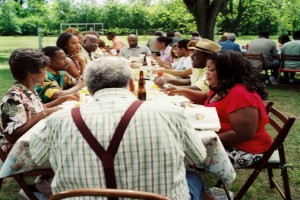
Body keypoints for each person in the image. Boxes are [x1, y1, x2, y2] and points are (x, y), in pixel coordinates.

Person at [30, 56, 209, 200]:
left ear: (89, 90)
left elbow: (37, 159)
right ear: (132, 84)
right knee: (193, 178)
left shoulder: (58, 120)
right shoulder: (172, 113)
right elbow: (199, 156)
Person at [166, 51, 272, 168]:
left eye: (211, 70)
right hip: (223, 142)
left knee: (175, 157)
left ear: (228, 71)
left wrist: (199, 140)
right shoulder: (223, 86)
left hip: (245, 149)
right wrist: (182, 90)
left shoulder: (241, 95)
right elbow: (207, 98)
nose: (207, 74)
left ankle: (191, 183)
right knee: (174, 146)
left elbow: (243, 134)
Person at [0, 48, 76, 199]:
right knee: (72, 151)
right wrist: (44, 113)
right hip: (17, 151)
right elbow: (12, 136)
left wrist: (59, 102)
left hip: (32, 143)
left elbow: (32, 112)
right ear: (30, 72)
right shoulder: (13, 97)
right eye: (43, 69)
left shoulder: (27, 91)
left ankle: (43, 185)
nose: (46, 73)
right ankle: (43, 189)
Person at [154, 39, 221, 93]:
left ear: (208, 58)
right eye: (192, 54)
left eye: (196, 55)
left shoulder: (212, 71)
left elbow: (198, 88)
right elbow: (190, 81)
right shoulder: (198, 67)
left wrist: (167, 86)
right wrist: (168, 80)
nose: (191, 58)